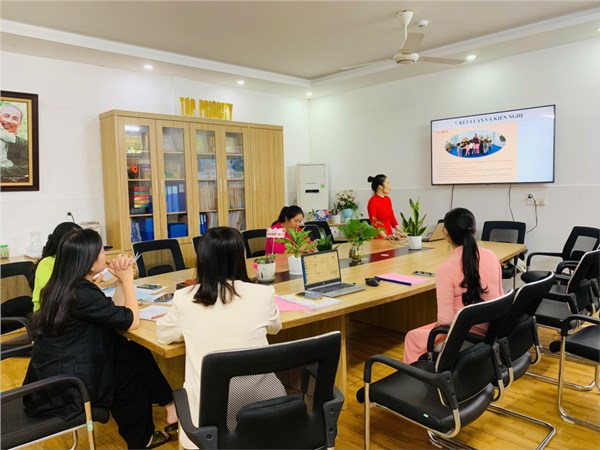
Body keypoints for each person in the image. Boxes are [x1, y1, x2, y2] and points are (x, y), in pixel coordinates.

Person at [24, 228, 172, 449]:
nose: (106, 254)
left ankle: (161, 414)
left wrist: (120, 280)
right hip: (65, 387)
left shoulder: (64, 285)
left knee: (127, 349)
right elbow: (132, 321)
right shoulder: (81, 293)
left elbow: (118, 314)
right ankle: (148, 431)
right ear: (90, 262)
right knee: (126, 369)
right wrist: (128, 279)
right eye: (101, 250)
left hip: (50, 377)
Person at [156, 227, 283, 449]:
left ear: (202, 260)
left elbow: (164, 335)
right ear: (241, 257)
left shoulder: (184, 299)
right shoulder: (262, 294)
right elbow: (275, 328)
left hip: (208, 412)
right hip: (264, 403)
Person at [403, 208, 503, 364]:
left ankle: (423, 377)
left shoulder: (446, 269)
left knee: (412, 337)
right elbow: (500, 296)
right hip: (490, 327)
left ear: (445, 233)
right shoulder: (491, 255)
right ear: (474, 229)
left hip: (463, 334)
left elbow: (445, 321)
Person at [32, 222, 83, 312]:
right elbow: (56, 298)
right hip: (49, 314)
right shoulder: (46, 263)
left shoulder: (75, 260)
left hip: (71, 310)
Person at [366, 174, 406, 241]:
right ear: (380, 186)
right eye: (388, 183)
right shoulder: (372, 201)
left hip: (390, 237)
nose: (390, 186)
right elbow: (374, 223)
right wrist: (385, 236)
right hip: (379, 239)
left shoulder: (387, 199)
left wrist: (403, 232)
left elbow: (392, 218)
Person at [0, 103, 28, 169]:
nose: (9, 121)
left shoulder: (24, 144)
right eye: (6, 116)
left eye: (15, 118)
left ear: (19, 124)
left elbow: (25, 168)